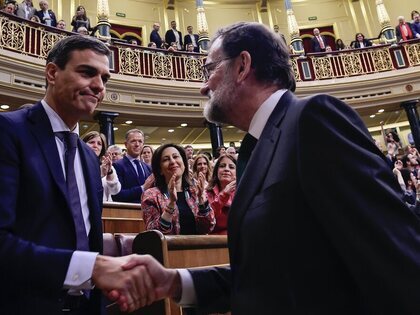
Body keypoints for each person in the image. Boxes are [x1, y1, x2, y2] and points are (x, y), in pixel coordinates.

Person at [116, 22, 420, 314]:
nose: (203, 86)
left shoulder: (312, 120)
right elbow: (269, 275)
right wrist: (175, 281)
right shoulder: (258, 145)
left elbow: (392, 257)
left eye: (210, 70)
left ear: (242, 66)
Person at [0, 35, 155, 315]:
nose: (98, 86)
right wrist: (90, 268)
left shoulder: (88, 158)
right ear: (52, 72)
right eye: (87, 72)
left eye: (105, 79)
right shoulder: (2, 131)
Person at [141, 143, 215, 235]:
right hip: (169, 248)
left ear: (184, 163)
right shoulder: (151, 195)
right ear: (160, 169)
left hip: (198, 247)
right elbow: (154, 234)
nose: (172, 161)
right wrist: (171, 204)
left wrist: (202, 201)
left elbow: (208, 228)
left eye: (176, 157)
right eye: (166, 159)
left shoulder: (195, 190)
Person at [112, 129, 154, 203]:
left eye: (140, 141)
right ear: (125, 144)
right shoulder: (117, 165)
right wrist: (142, 188)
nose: (137, 144)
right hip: (128, 211)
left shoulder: (147, 167)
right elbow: (117, 194)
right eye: (133, 141)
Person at [83, 131, 121, 202]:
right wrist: (99, 175)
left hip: (105, 209)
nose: (95, 146)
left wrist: (109, 172)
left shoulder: (107, 165)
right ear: (83, 144)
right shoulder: (78, 164)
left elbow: (115, 191)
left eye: (99, 144)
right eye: (91, 142)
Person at [206, 154, 236, 235]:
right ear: (216, 171)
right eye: (222, 166)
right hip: (213, 243)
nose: (226, 169)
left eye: (231, 167)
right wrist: (223, 195)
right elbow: (206, 221)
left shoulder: (243, 193)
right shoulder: (207, 193)